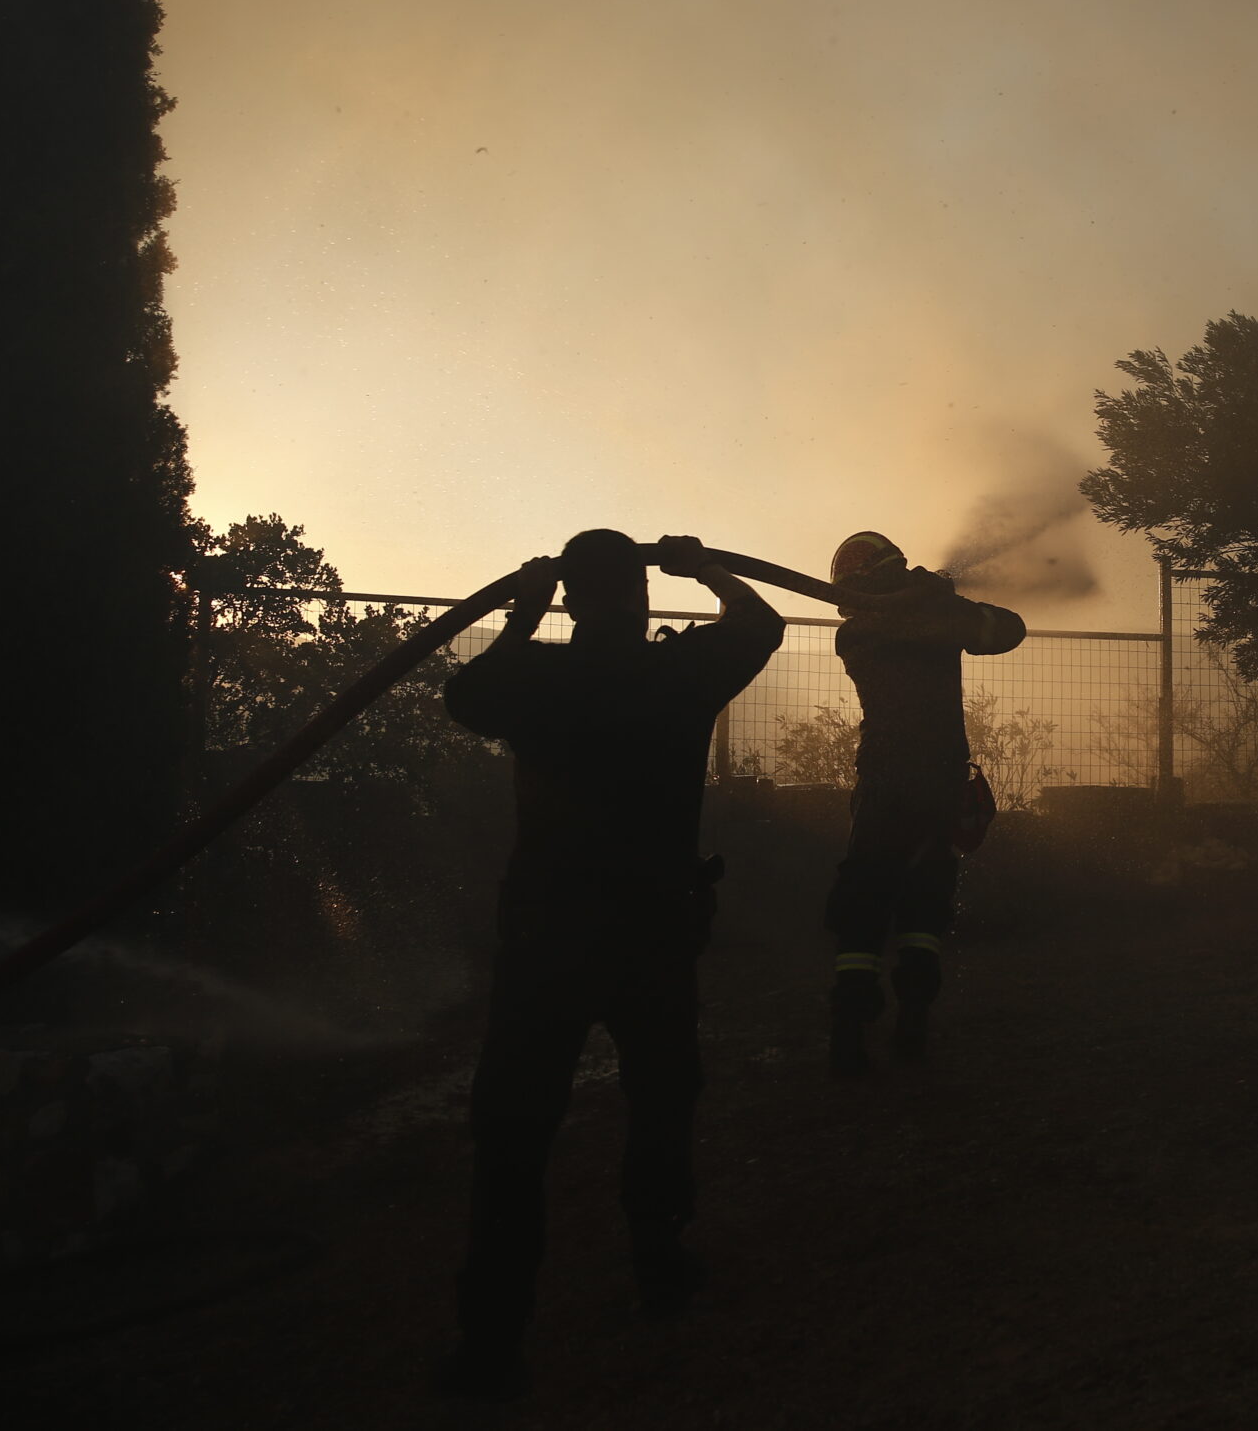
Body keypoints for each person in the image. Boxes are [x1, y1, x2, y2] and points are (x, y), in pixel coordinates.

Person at [436, 529, 782, 1400]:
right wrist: (702, 565)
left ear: (572, 599)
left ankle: (491, 1341)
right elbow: (761, 621)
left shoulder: (533, 677)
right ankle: (660, 1264)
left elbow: (464, 693)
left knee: (513, 1134)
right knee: (661, 1098)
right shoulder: (680, 672)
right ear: (639, 594)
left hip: (546, 935)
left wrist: (521, 618)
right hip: (650, 930)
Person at [825, 531, 1026, 1076]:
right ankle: (870, 1021)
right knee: (900, 898)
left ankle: (888, 1021)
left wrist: (945, 601)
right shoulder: (864, 630)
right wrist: (936, 601)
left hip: (893, 783)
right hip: (920, 782)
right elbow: (946, 630)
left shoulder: (903, 620)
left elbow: (1009, 630)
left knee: (895, 899)